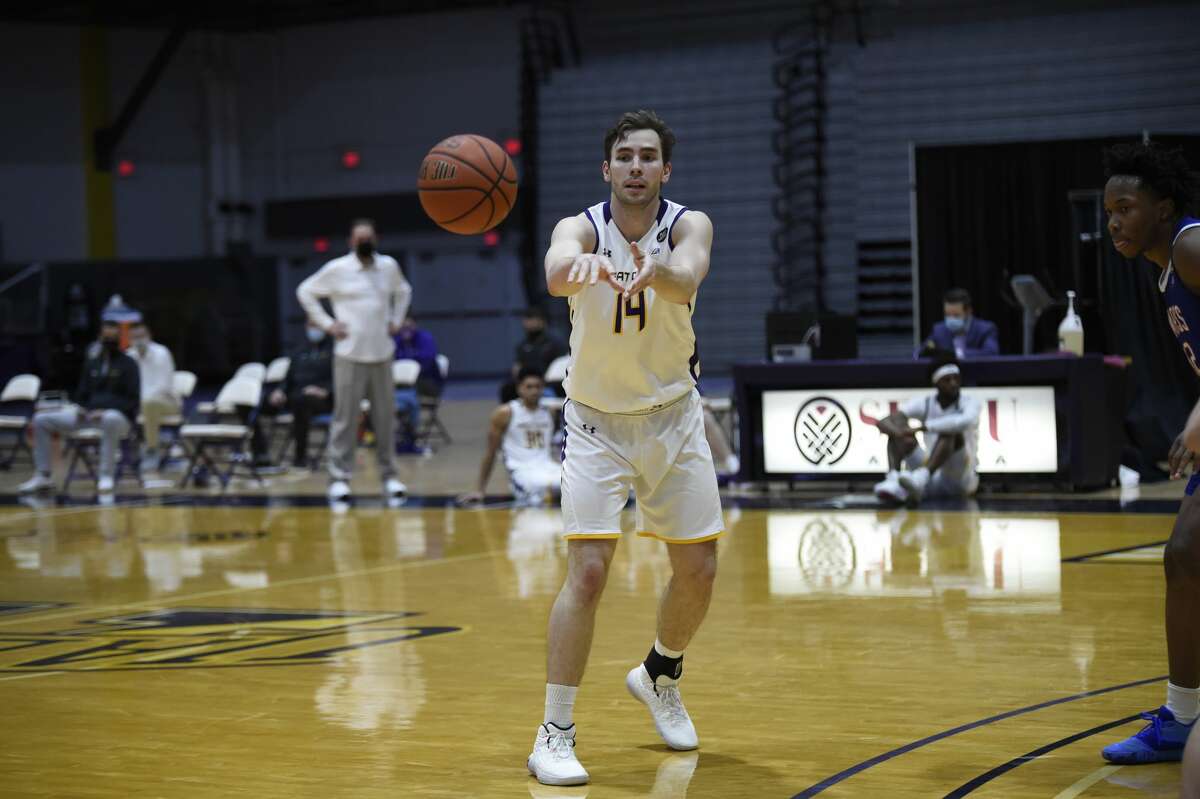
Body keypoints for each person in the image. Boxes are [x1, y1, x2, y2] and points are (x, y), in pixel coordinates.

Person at [526, 109, 723, 787]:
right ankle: (554, 733)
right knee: (587, 572)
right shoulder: (581, 226)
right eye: (624, 156)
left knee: (699, 571)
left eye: (648, 157)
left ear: (665, 170)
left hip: (673, 417)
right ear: (605, 168)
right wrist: (577, 264)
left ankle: (660, 672)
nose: (635, 166)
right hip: (595, 425)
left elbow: (688, 274)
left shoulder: (688, 224)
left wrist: (654, 271)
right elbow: (555, 268)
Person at [1099, 141, 1200, 765]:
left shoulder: (1190, 245)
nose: (1114, 221)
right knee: (1185, 557)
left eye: (1126, 207)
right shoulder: (1165, 270)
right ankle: (1182, 718)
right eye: (1109, 210)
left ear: (1162, 208)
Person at [297, 218, 412, 502]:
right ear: (351, 242)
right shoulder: (338, 269)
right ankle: (339, 478)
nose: (365, 242)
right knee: (345, 419)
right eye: (360, 238)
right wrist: (327, 324)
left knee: (385, 419)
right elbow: (305, 291)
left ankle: (390, 477)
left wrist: (396, 319)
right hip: (349, 354)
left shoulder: (388, 266)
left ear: (376, 240)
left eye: (369, 238)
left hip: (382, 353)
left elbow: (404, 291)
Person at [18, 318, 140, 494]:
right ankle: (42, 476)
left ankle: (106, 475)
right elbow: (81, 394)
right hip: (89, 416)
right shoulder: (92, 363)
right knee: (41, 420)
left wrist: (105, 410)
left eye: (113, 338)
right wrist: (82, 409)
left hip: (118, 418)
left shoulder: (129, 364)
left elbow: (132, 399)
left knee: (110, 418)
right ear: (99, 338)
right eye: (106, 338)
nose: (109, 342)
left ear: (120, 339)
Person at [872, 353, 981, 506]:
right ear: (936, 383)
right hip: (929, 476)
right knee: (899, 430)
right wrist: (900, 433)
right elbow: (885, 421)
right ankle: (893, 479)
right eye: (947, 380)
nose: (954, 383)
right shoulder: (926, 402)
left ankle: (921, 478)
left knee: (950, 431)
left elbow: (963, 422)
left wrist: (923, 427)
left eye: (956, 378)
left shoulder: (970, 402)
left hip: (960, 480)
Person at [457, 368, 560, 507]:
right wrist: (480, 490)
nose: (534, 391)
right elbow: (490, 453)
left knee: (577, 482)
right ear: (519, 389)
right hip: (521, 472)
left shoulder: (550, 412)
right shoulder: (505, 413)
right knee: (541, 488)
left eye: (538, 386)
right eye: (529, 387)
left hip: (548, 467)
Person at [251, 323, 334, 470]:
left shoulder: (335, 350)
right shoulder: (300, 350)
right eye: (310, 325)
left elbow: (343, 379)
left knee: (300, 401)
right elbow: (288, 378)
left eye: (316, 325)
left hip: (323, 399)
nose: (313, 329)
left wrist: (325, 390)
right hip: (295, 395)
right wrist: (280, 391)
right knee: (253, 404)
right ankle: (260, 454)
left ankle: (300, 457)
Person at [126, 322, 179, 471]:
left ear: (149, 336)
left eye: (141, 336)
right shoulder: (128, 356)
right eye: (135, 337)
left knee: (149, 403)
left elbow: (164, 386)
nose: (139, 340)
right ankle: (122, 452)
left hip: (167, 402)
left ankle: (152, 450)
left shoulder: (162, 353)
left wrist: (139, 401)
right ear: (129, 339)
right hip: (140, 405)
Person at [500, 307, 567, 403]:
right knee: (507, 388)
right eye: (527, 319)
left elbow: (563, 363)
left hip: (550, 381)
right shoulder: (522, 346)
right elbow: (517, 367)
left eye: (533, 319)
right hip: (528, 379)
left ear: (542, 321)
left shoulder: (555, 343)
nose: (530, 323)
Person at [392, 315, 442, 443]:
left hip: (428, 383)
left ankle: (410, 430)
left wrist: (409, 357)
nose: (406, 330)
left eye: (409, 326)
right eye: (403, 327)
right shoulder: (396, 340)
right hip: (402, 385)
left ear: (415, 325)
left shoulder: (425, 339)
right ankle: (403, 427)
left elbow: (426, 363)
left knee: (407, 393)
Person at [917, 288, 1000, 359]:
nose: (951, 319)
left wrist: (958, 354)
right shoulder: (939, 330)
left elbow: (991, 352)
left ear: (968, 311)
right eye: (947, 315)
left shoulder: (985, 329)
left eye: (956, 315)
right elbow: (919, 353)